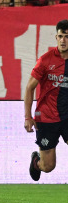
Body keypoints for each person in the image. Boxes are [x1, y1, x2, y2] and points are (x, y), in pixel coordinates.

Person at [25, 19, 68, 181]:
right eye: (61, 36)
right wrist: (28, 117)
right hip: (46, 118)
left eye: (67, 36)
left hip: (67, 117)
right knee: (48, 167)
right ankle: (37, 162)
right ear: (56, 37)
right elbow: (29, 88)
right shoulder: (45, 60)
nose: (63, 40)